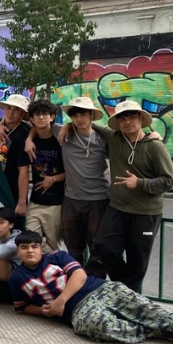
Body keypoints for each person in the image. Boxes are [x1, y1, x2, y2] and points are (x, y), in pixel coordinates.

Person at [8, 230, 173, 344]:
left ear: (41, 248)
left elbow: (79, 275)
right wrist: (42, 311)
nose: (30, 251)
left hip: (100, 289)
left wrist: (60, 301)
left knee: (148, 309)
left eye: (34, 246)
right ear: (18, 251)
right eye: (24, 247)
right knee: (98, 328)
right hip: (78, 310)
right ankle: (154, 330)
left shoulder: (56, 257)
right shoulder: (17, 277)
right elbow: (22, 307)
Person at [65, 100, 173, 292]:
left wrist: (140, 183)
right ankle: (124, 289)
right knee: (103, 246)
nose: (127, 122)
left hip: (145, 212)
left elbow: (169, 181)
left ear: (141, 119)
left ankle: (127, 295)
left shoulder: (155, 146)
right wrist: (68, 125)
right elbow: (88, 123)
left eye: (132, 116)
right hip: (117, 208)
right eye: (122, 118)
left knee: (137, 259)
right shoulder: (115, 138)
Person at [25, 97, 109, 265]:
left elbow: (127, 140)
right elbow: (39, 125)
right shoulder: (64, 132)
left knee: (96, 248)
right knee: (73, 247)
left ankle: (93, 285)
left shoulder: (103, 138)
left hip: (98, 199)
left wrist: (153, 136)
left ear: (91, 115)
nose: (79, 119)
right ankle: (75, 280)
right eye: (75, 115)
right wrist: (28, 139)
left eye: (83, 114)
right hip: (71, 200)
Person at [24, 99, 65, 250]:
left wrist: (53, 179)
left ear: (52, 117)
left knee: (53, 244)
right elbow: (3, 122)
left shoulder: (61, 139)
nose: (41, 117)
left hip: (55, 203)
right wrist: (28, 138)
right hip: (35, 201)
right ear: (31, 119)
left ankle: (56, 270)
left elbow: (74, 171)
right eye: (37, 115)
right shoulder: (31, 138)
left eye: (45, 114)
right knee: (30, 241)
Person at [0, 94, 31, 228]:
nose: (11, 112)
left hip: (12, 192)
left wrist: (22, 202)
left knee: (15, 229)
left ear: (22, 114)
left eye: (16, 110)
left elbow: (24, 171)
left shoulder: (23, 135)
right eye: (8, 108)